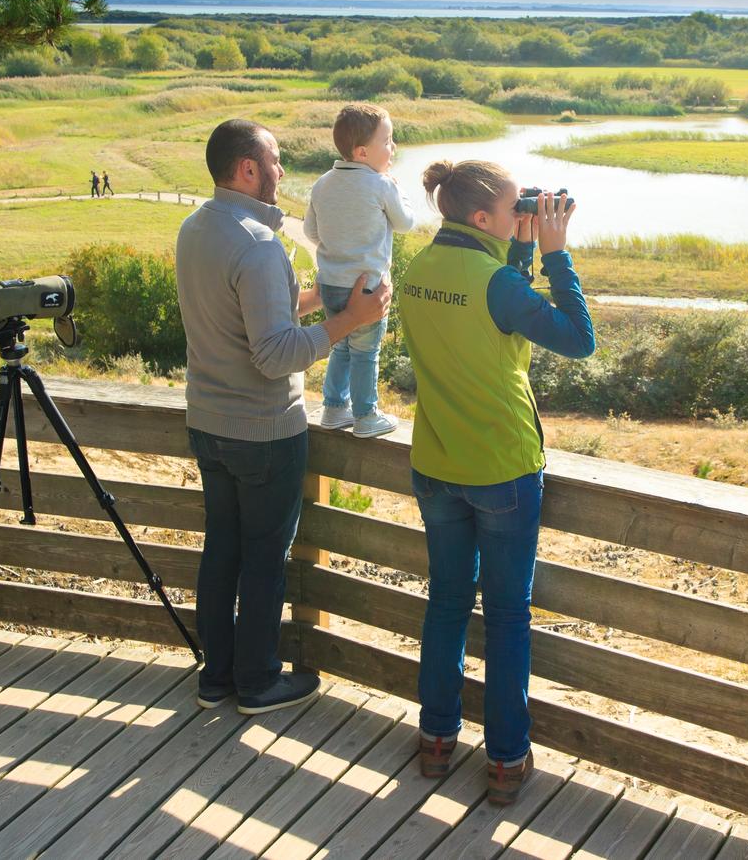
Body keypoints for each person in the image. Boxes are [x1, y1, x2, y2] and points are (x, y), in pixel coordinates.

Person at [176, 118, 390, 715]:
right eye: (274, 160)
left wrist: (318, 300)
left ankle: (216, 678)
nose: (281, 169)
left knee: (222, 552)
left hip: (208, 424)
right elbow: (273, 355)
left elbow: (244, 310)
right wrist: (352, 320)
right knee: (265, 560)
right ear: (248, 169)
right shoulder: (259, 245)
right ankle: (258, 682)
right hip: (263, 434)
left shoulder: (197, 227)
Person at [397, 160, 594, 806]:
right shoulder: (496, 284)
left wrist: (521, 247)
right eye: (516, 209)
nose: (524, 215)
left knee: (448, 602)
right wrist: (556, 253)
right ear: (483, 218)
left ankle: (435, 739)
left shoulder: (418, 271)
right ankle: (506, 760)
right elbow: (579, 339)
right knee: (507, 616)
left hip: (436, 464)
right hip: (503, 469)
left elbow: (488, 301)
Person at [302, 103, 416, 438]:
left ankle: (334, 408)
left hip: (330, 285)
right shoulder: (381, 185)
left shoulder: (323, 183)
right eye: (388, 141)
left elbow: (310, 232)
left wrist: (340, 243)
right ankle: (366, 415)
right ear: (362, 152)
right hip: (368, 289)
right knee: (367, 353)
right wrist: (398, 189)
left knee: (340, 345)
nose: (393, 147)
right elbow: (406, 223)